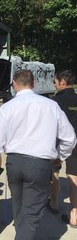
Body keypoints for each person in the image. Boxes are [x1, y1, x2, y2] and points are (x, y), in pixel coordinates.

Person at [0, 69, 76, 240]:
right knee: (31, 215)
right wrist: (59, 156)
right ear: (34, 84)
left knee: (19, 208)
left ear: (14, 84)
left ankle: (22, 233)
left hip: (14, 163)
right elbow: (70, 138)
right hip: (39, 165)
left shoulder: (7, 108)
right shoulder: (50, 105)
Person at [50, 70, 77, 226]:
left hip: (58, 144)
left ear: (62, 83)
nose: (54, 85)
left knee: (54, 174)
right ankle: (74, 215)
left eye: (55, 82)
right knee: (74, 178)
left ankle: (54, 205)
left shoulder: (55, 102)